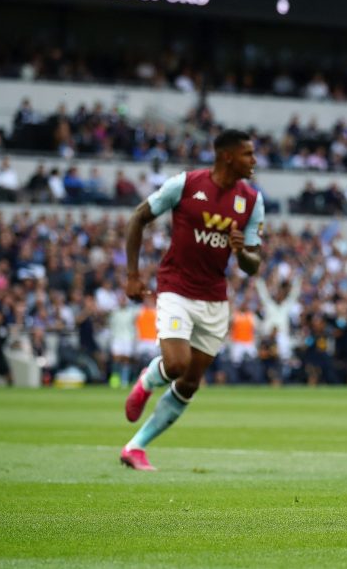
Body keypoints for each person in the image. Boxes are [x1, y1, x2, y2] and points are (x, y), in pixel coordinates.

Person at [120, 129, 264, 471]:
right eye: (247, 154)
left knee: (189, 381)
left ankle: (135, 447)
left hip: (215, 299)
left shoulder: (252, 201)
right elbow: (139, 216)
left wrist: (241, 251)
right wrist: (131, 275)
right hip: (175, 288)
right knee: (176, 365)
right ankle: (147, 380)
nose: (254, 160)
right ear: (227, 156)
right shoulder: (184, 185)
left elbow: (253, 263)